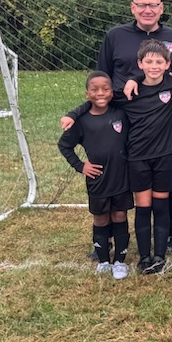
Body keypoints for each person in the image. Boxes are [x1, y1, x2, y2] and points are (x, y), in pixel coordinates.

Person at [93, 0, 172, 256]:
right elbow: (101, 78)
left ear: (161, 8)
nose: (147, 10)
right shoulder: (115, 36)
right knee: (116, 177)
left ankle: (169, 236)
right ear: (132, 7)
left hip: (162, 121)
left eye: (153, 5)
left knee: (166, 179)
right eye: (142, 5)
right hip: (121, 118)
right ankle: (109, 238)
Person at [57, 71, 132, 280]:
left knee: (119, 215)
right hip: (97, 180)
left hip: (121, 177)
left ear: (112, 92)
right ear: (87, 93)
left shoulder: (121, 113)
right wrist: (80, 166)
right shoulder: (81, 120)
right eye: (95, 89)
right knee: (100, 217)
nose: (101, 93)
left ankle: (119, 261)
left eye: (106, 89)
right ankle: (103, 261)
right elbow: (64, 145)